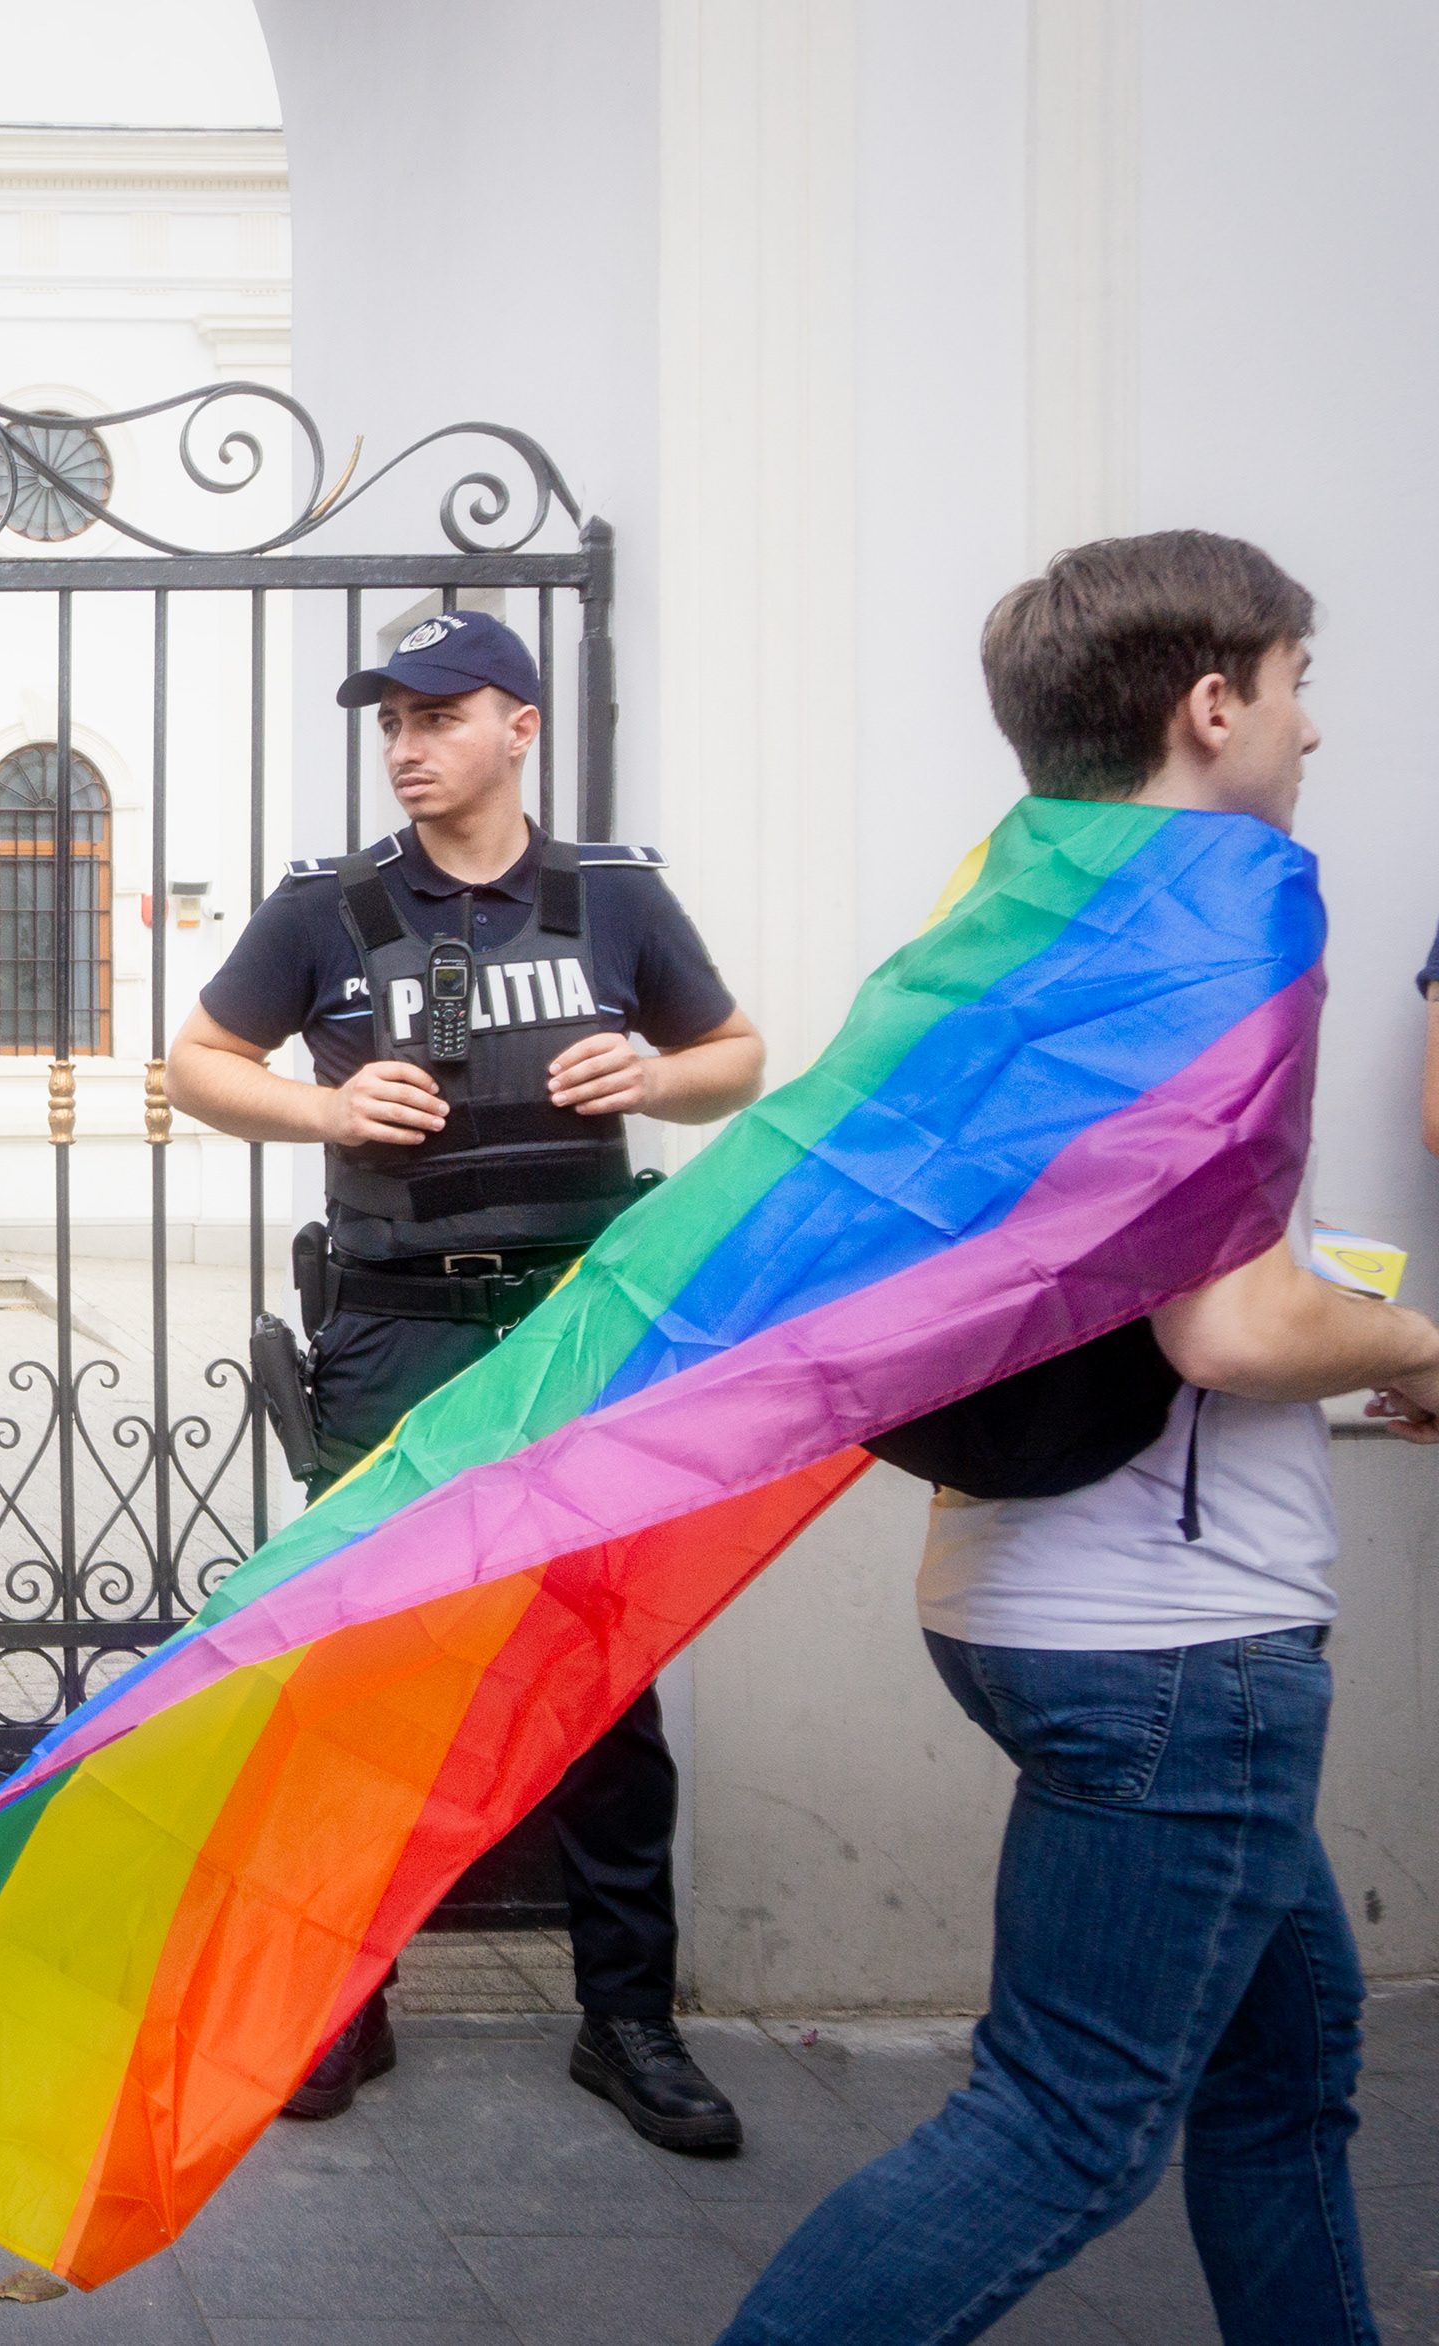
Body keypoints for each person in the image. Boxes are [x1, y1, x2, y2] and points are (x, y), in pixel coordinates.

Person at [723, 532, 1435, 2345]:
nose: (1311, 729)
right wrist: (1423, 1340)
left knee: (1286, 2070)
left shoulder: (1017, 922)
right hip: (1176, 1644)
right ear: (1211, 705)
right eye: (1294, 685)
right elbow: (1236, 1325)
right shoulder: (1223, 921)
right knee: (1062, 2124)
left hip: (1027, 1589)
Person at [163, 609, 767, 2151]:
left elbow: (738, 1055)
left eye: (438, 715)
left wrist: (660, 1073)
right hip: (395, 1332)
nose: (407, 745)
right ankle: (341, 1997)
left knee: (601, 1676)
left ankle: (628, 2016)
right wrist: (325, 1106)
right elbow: (197, 1061)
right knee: (365, 1671)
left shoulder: (614, 897)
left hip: (577, 1335)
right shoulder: (330, 905)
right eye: (392, 721)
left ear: (521, 727)